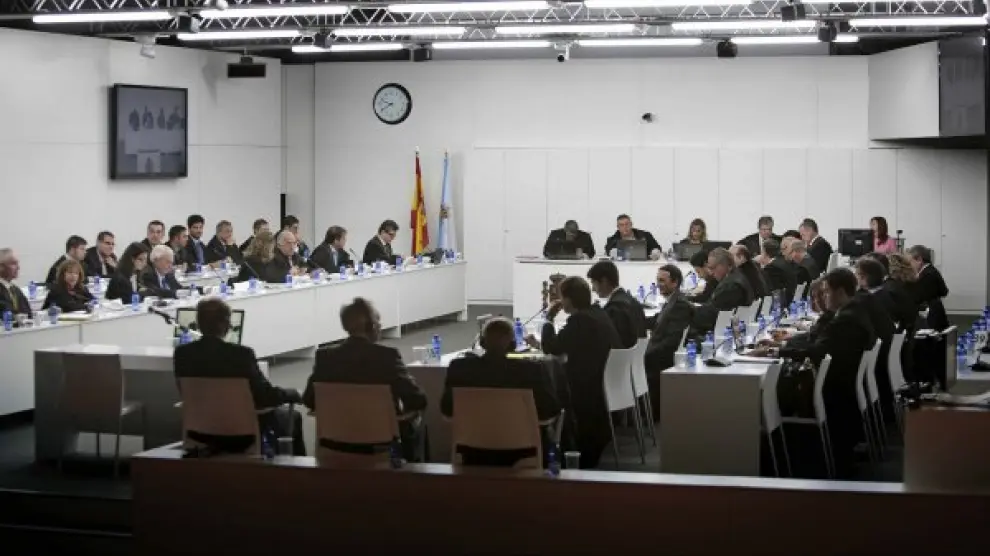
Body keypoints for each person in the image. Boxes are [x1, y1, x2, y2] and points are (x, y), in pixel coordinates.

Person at [752, 269, 876, 479]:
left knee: (771, 389)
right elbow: (819, 345)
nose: (824, 297)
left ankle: (772, 452)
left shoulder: (845, 320)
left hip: (833, 386)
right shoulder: (853, 311)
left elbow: (817, 351)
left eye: (826, 292)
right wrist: (780, 347)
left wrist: (774, 352)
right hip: (842, 385)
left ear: (840, 292)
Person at [174, 298, 305, 456]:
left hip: (199, 434)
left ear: (199, 324)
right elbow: (264, 397)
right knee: (294, 417)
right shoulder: (242, 354)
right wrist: (292, 393)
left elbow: (184, 392)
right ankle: (296, 470)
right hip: (241, 436)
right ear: (224, 324)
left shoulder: (182, 354)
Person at [303, 297, 427, 461]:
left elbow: (309, 400)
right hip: (381, 446)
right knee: (417, 425)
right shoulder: (387, 357)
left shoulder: (325, 358)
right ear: (371, 326)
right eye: (378, 321)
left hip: (335, 445)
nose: (380, 326)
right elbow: (417, 400)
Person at [441, 317, 561, 467]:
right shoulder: (532, 370)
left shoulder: (459, 369)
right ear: (513, 345)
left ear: (482, 343)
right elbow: (550, 412)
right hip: (524, 452)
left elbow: (447, 410)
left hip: (472, 452)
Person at [533, 276, 621, 468]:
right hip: (602, 381)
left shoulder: (580, 320)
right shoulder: (597, 313)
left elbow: (552, 348)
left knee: (545, 386)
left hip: (585, 386)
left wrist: (548, 318)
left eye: (562, 297)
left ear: (569, 299)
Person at [644, 265, 694, 420]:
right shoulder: (674, 301)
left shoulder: (679, 305)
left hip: (662, 358)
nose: (658, 284)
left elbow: (672, 341)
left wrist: (647, 354)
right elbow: (657, 321)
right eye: (657, 280)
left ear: (675, 282)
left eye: (662, 280)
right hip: (660, 352)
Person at [586, 261, 646, 348]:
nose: (593, 289)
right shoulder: (633, 302)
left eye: (593, 283)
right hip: (638, 354)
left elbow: (613, 344)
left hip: (620, 355)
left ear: (604, 281)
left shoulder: (614, 309)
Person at [692, 248, 753, 333]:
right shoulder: (737, 277)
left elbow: (711, 315)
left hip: (726, 330)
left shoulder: (730, 286)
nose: (711, 272)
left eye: (713, 268)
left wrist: (690, 310)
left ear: (726, 265)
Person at [908, 245, 949, 331]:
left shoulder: (927, 275)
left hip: (931, 319)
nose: (910, 265)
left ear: (919, 260)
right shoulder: (932, 271)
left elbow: (918, 298)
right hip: (937, 313)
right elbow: (944, 291)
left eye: (910, 261)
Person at [761, 238, 797, 308]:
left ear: (764, 252)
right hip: (791, 300)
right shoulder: (785, 262)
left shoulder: (771, 268)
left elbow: (770, 291)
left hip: (782, 305)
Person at [0, 248, 30, 316]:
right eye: (13, 264)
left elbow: (28, 313)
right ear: (1, 267)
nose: (18, 267)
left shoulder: (15, 289)